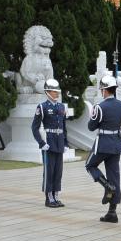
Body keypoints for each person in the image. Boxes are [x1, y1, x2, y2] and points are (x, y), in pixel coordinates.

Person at [85, 75, 121, 223]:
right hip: (116, 144)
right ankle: (112, 212)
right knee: (114, 176)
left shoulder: (100, 107)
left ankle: (106, 185)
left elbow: (91, 127)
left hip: (103, 144)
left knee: (89, 165)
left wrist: (94, 116)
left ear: (104, 90)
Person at [32, 78, 68, 208]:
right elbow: (34, 127)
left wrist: (65, 143)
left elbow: (64, 126)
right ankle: (49, 197)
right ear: (47, 92)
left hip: (59, 141)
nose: (57, 94)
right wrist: (41, 143)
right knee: (49, 170)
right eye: (54, 91)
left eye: (57, 91)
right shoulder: (42, 107)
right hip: (48, 142)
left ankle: (56, 195)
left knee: (58, 171)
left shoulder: (61, 107)